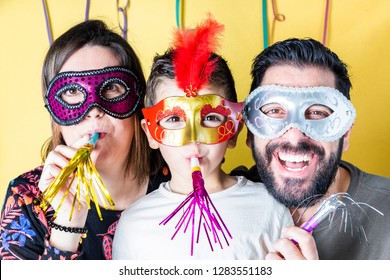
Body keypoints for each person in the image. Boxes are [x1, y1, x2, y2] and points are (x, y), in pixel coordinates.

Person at [112, 17, 292, 260]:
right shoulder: (134, 224)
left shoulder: (271, 208)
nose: (193, 139)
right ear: (150, 134)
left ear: (234, 131)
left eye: (210, 118)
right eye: (174, 120)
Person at [0, 20, 169, 260]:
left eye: (111, 87)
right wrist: (68, 223)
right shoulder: (27, 198)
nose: (93, 110)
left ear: (137, 102)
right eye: (71, 91)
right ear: (53, 110)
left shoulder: (181, 183)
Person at [234, 38, 390, 260]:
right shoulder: (218, 206)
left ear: (345, 134)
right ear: (249, 132)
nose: (295, 137)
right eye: (274, 111)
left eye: (318, 112)